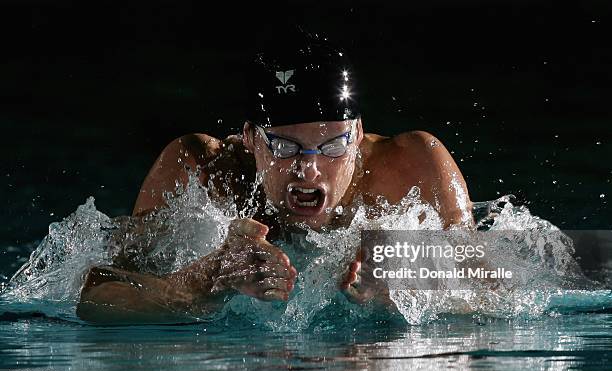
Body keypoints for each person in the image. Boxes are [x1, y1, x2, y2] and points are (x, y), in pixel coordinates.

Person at [76, 29, 472, 323]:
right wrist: (203, 283)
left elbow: (502, 289)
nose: (309, 167)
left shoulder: (413, 166)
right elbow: (97, 296)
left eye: (333, 144)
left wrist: (411, 284)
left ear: (357, 134)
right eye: (284, 147)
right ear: (249, 138)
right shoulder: (202, 172)